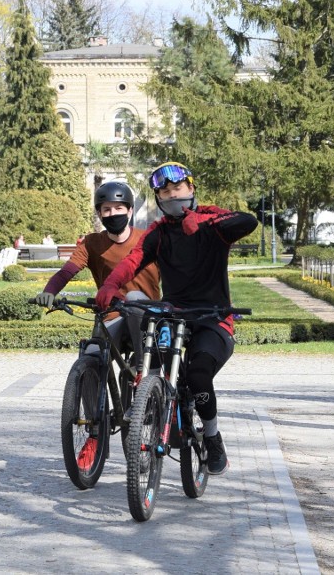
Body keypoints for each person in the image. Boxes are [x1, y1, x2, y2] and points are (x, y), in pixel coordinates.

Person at [95, 162, 258, 475]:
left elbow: (247, 220)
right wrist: (112, 284)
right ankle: (153, 400)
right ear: (158, 197)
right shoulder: (158, 232)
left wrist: (202, 221)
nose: (172, 195)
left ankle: (211, 437)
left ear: (191, 189)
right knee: (152, 346)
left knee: (198, 375)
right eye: (165, 191)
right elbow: (133, 261)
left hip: (213, 319)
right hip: (174, 314)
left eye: (178, 188)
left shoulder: (212, 220)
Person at [35, 181, 160, 376]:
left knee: (135, 297)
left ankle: (144, 372)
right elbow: (66, 272)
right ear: (99, 214)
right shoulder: (91, 243)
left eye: (119, 208)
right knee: (89, 360)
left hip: (146, 317)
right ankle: (93, 405)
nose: (113, 214)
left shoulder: (149, 240)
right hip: (112, 314)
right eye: (107, 210)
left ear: (129, 211)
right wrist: (49, 291)